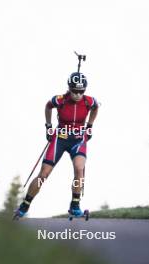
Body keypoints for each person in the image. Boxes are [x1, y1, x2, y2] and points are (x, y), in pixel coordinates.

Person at [15, 72, 99, 218]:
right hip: (60, 139)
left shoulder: (88, 101)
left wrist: (90, 126)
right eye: (75, 91)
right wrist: (48, 126)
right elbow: (48, 106)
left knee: (79, 169)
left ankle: (75, 205)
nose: (78, 94)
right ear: (69, 88)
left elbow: (96, 107)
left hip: (78, 139)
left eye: (81, 91)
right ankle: (25, 205)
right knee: (43, 174)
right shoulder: (60, 100)